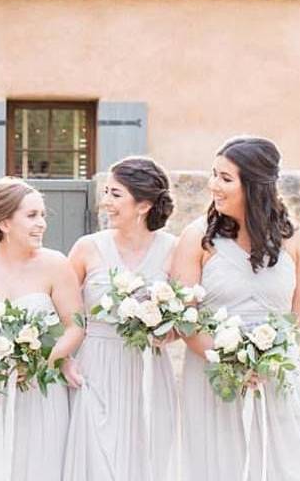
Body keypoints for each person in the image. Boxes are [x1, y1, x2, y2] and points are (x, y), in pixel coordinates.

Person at [174, 136, 300, 480]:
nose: (214, 185)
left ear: (254, 186)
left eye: (225, 178)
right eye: (214, 174)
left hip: (279, 374)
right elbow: (186, 322)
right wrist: (234, 362)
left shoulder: (293, 236)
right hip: (217, 380)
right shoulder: (196, 238)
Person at [63, 156, 179, 481]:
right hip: (94, 368)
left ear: (143, 205)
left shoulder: (174, 249)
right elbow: (62, 313)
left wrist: (164, 333)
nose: (105, 203)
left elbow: (185, 321)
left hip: (149, 370)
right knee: (95, 462)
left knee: (148, 460)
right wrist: (63, 361)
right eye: (106, 193)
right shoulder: (87, 248)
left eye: (115, 194)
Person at [0, 177, 84, 481]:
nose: (41, 224)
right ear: (5, 222)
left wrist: (37, 363)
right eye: (32, 216)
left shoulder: (55, 265)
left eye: (43, 215)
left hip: (41, 389)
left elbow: (75, 327)